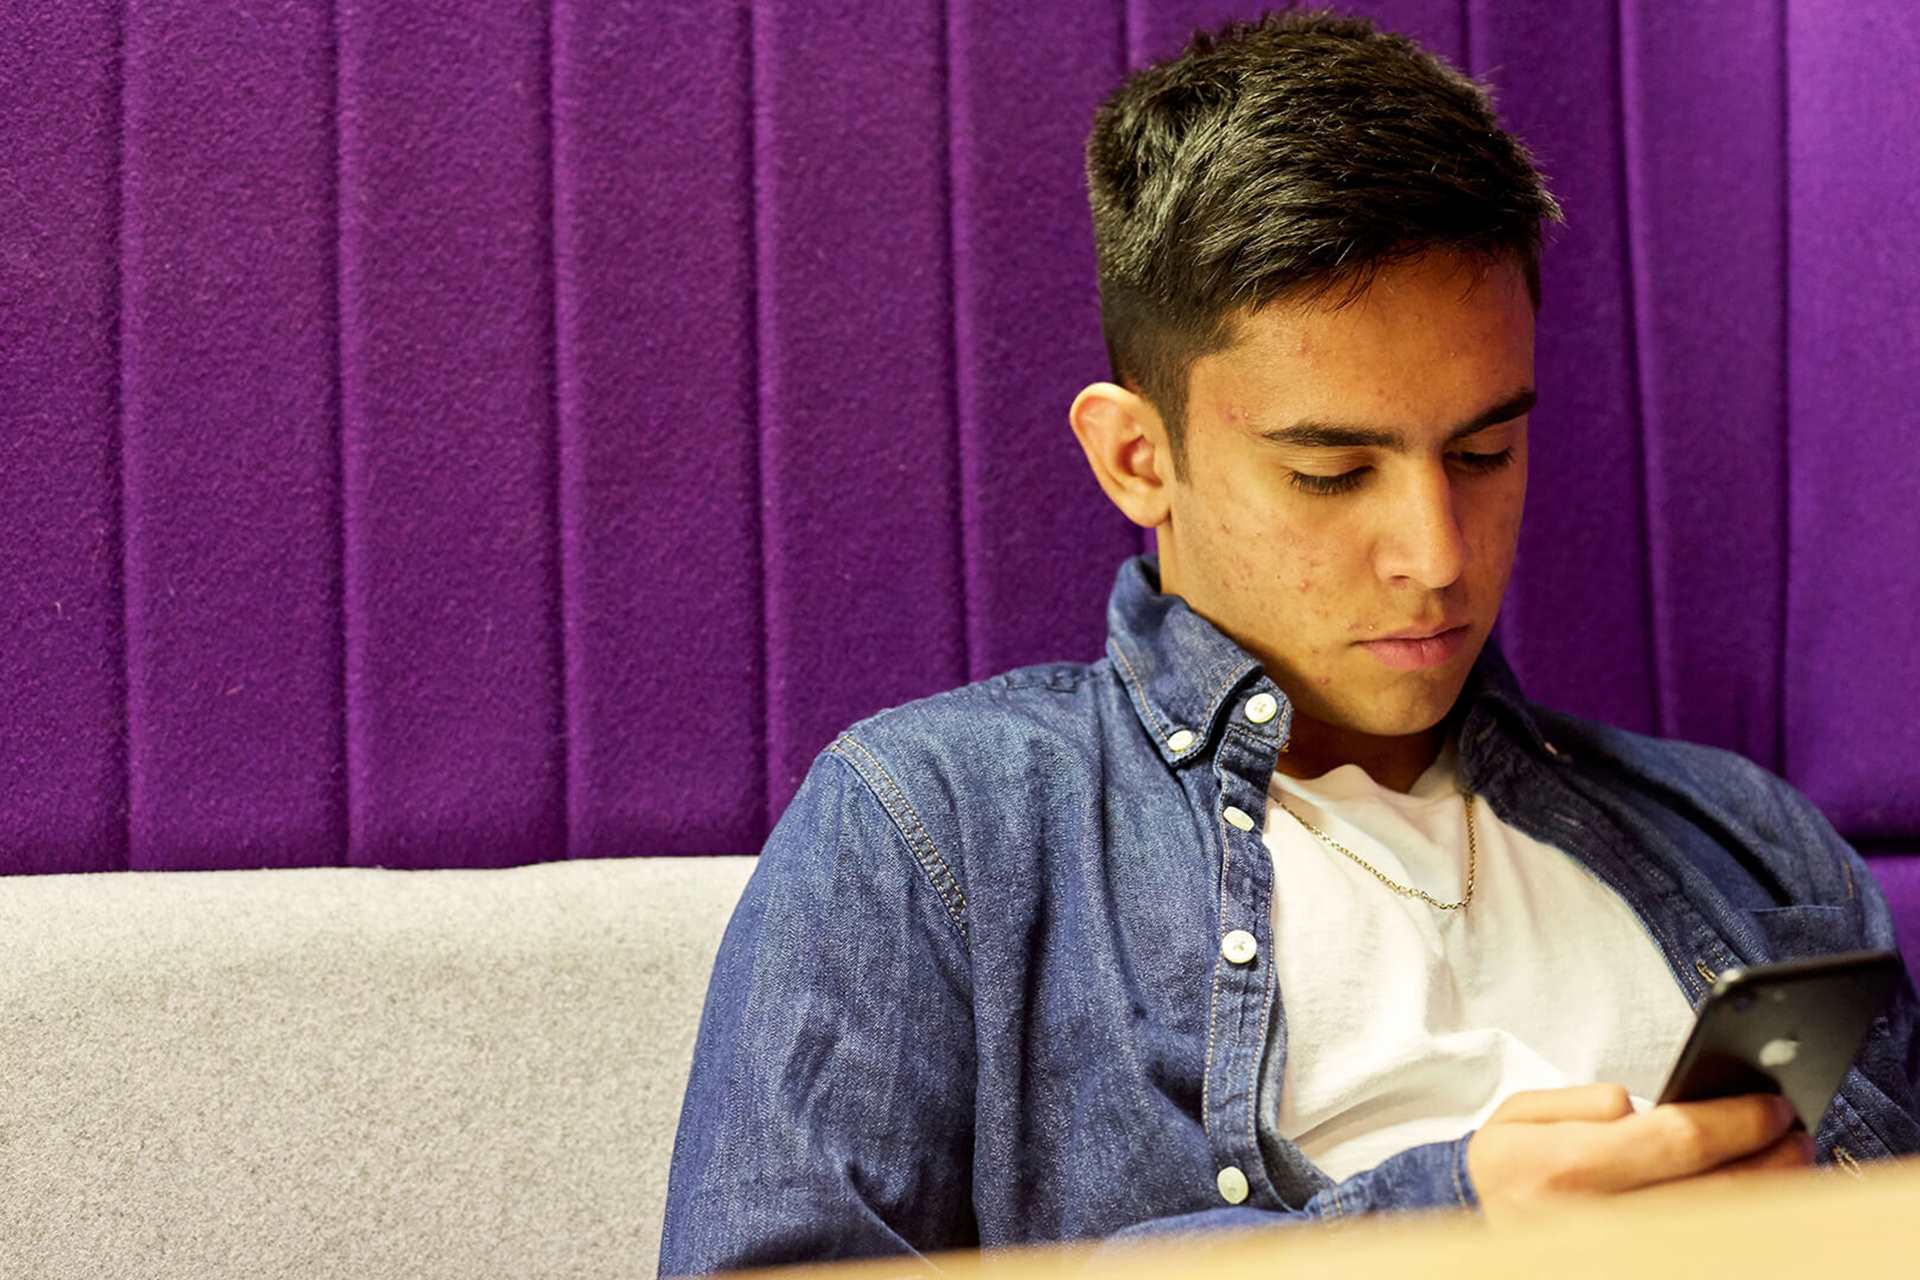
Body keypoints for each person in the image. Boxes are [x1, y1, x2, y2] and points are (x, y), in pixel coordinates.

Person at [658, 9, 1920, 1273]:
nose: (1437, 554)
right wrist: (1448, 1228)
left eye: (1484, 451)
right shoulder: (936, 831)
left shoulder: (1746, 837)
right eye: (1331, 470)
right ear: (1137, 456)